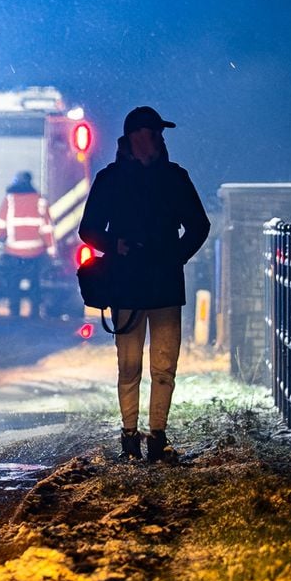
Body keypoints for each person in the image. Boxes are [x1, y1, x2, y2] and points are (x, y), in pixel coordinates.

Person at [78, 106, 210, 463]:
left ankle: (153, 435)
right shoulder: (119, 179)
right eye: (154, 132)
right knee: (131, 364)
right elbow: (88, 229)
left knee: (162, 365)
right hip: (137, 283)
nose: (159, 139)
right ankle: (132, 435)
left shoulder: (170, 177)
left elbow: (199, 225)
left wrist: (175, 255)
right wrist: (118, 246)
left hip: (151, 282)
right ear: (138, 136)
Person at [0, 170, 57, 319]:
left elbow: (0, 223)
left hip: (14, 253)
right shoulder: (40, 201)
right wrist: (51, 251)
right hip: (35, 253)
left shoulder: (10, 200)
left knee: (13, 285)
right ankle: (34, 314)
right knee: (34, 285)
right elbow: (47, 229)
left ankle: (14, 314)